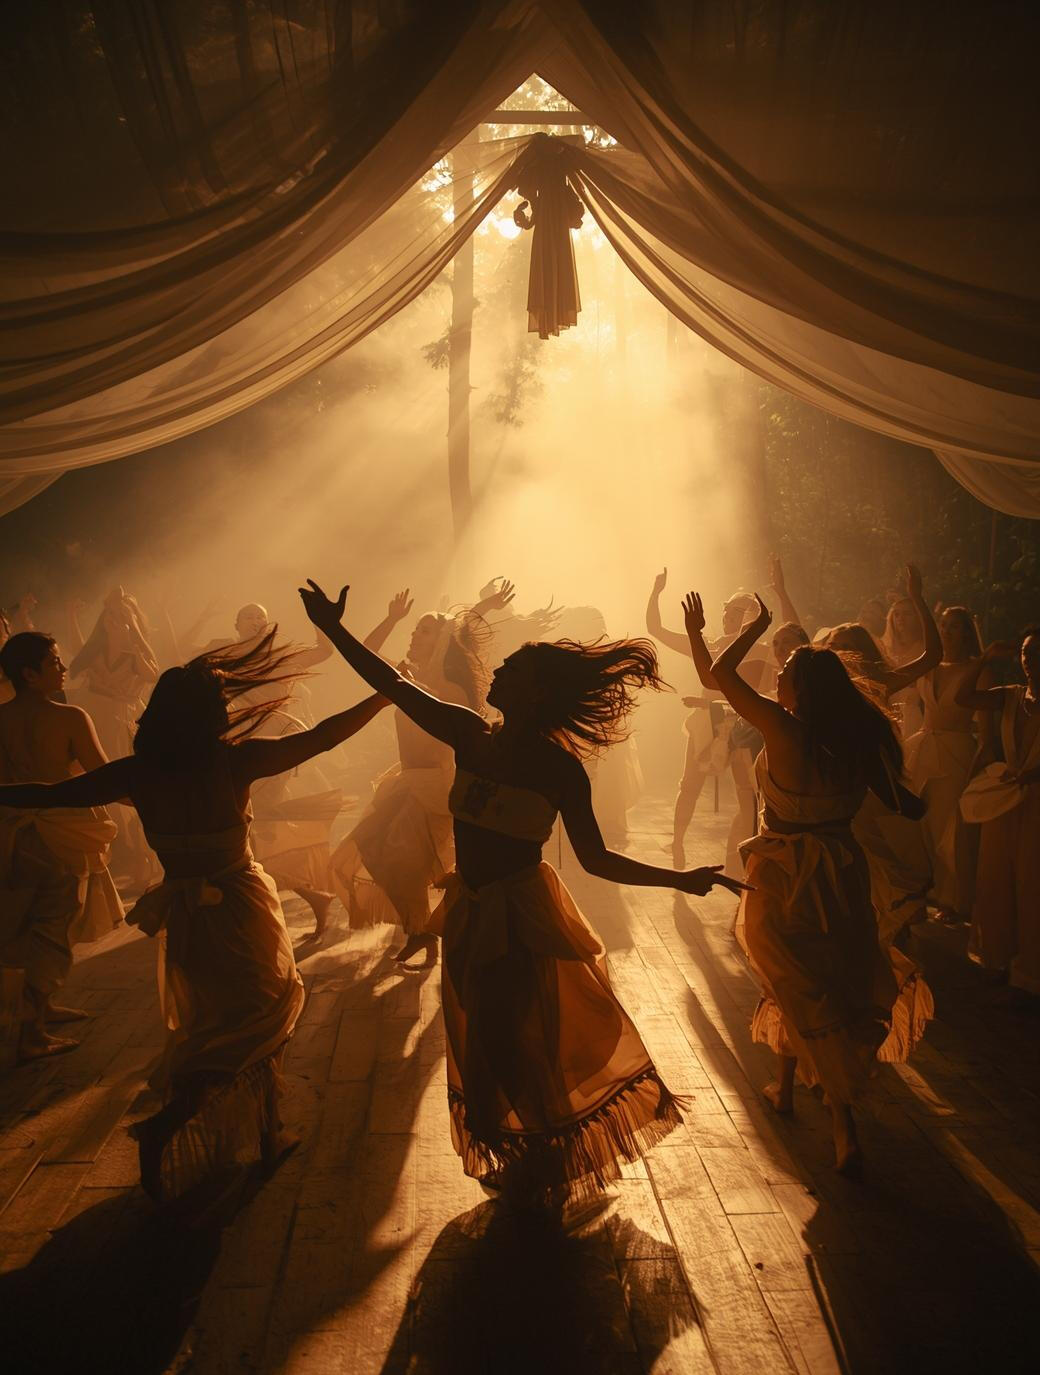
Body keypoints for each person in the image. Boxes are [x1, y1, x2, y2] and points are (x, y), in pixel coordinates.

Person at [299, 578, 746, 1207]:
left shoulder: (557, 768)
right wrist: (333, 628)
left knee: (510, 1033)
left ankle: (538, 1154)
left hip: (521, 912)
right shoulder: (467, 732)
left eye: (511, 668)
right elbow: (392, 683)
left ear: (533, 692)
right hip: (469, 906)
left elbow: (596, 859)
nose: (498, 671)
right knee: (484, 1030)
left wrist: (680, 878)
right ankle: (529, 1149)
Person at [0, 632, 388, 1212]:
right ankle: (183, 1126)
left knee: (215, 1026)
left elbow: (51, 794)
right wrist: (383, 696)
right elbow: (322, 737)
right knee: (261, 1020)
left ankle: (267, 1131)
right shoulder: (234, 762)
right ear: (207, 716)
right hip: (241, 906)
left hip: (185, 916)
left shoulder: (136, 773)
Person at [684, 591, 932, 1174]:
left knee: (799, 981)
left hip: (785, 872)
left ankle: (843, 1122)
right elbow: (905, 805)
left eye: (787, 672)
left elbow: (719, 675)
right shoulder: (857, 738)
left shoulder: (782, 727)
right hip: (841, 872)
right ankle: (786, 1086)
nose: (778, 678)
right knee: (818, 974)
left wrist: (753, 625)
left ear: (803, 690)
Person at [330, 589, 492, 966]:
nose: (415, 635)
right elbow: (365, 653)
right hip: (408, 781)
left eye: (425, 630)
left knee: (407, 862)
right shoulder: (409, 677)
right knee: (373, 850)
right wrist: (392, 619)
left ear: (444, 641)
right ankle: (421, 930)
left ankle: (438, 928)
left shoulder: (448, 688)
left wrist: (481, 608)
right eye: (415, 629)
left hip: (436, 786)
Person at [0, 632, 123, 1062]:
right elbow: (103, 777)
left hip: (11, 834)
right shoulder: (70, 717)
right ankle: (31, 1034)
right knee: (53, 928)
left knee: (24, 924)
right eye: (54, 662)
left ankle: (42, 1009)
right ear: (29, 674)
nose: (64, 667)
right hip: (59, 834)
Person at [827, 566, 942, 942]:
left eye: (848, 646)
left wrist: (918, 600)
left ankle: (894, 921)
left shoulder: (878, 681)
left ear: (862, 651)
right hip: (837, 784)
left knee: (875, 852)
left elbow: (932, 656)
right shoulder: (820, 688)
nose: (842, 653)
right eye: (836, 647)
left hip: (870, 779)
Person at [647, 569, 770, 870]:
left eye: (737, 613)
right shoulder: (709, 646)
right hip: (707, 722)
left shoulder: (763, 652)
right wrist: (656, 592)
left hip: (742, 723)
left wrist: (708, 702)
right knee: (690, 785)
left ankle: (750, 852)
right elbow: (656, 629)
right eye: (727, 611)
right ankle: (677, 843)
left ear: (750, 618)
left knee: (747, 791)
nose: (728, 617)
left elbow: (756, 693)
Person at [956, 630, 1040, 1003]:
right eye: (1025, 652)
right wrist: (984, 660)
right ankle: (998, 958)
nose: (1030, 660)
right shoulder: (1009, 696)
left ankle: (1031, 971)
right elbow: (962, 697)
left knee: (1032, 884)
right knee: (995, 880)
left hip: (1036, 804)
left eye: (1037, 653)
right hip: (1005, 803)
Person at [903, 607, 988, 922]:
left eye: (955, 626)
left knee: (949, 830)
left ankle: (954, 900)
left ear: (967, 633)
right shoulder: (930, 666)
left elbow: (987, 727)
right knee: (919, 825)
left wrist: (978, 768)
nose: (947, 631)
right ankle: (927, 891)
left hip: (956, 752)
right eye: (943, 625)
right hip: (923, 749)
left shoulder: (978, 670)